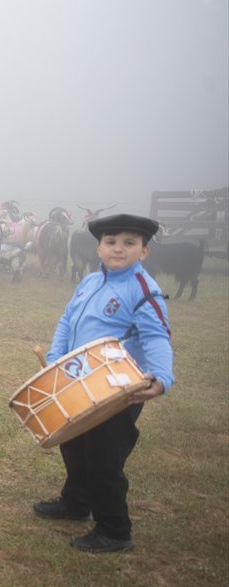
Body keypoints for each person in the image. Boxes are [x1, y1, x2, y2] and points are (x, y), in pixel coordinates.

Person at [32, 214, 174, 553]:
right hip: (79, 382)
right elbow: (67, 320)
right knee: (75, 445)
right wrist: (56, 359)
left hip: (119, 390)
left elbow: (157, 337)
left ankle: (114, 529)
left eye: (129, 243)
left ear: (144, 251)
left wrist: (162, 377)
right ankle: (76, 503)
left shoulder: (143, 290)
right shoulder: (90, 282)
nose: (118, 249)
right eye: (111, 242)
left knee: (104, 458)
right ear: (98, 247)